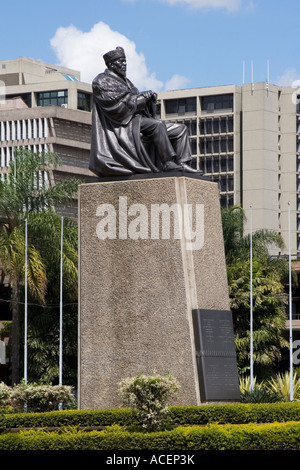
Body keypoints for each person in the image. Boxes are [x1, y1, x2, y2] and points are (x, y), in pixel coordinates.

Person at [89, 46, 202, 177]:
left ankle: (183, 164)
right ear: (111, 64)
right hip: (122, 125)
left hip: (138, 121)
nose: (124, 64)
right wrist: (142, 98)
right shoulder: (102, 81)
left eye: (125, 61)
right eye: (121, 61)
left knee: (180, 129)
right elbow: (117, 107)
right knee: (157, 125)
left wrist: (148, 98)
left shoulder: (127, 82)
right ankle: (168, 163)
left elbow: (135, 98)